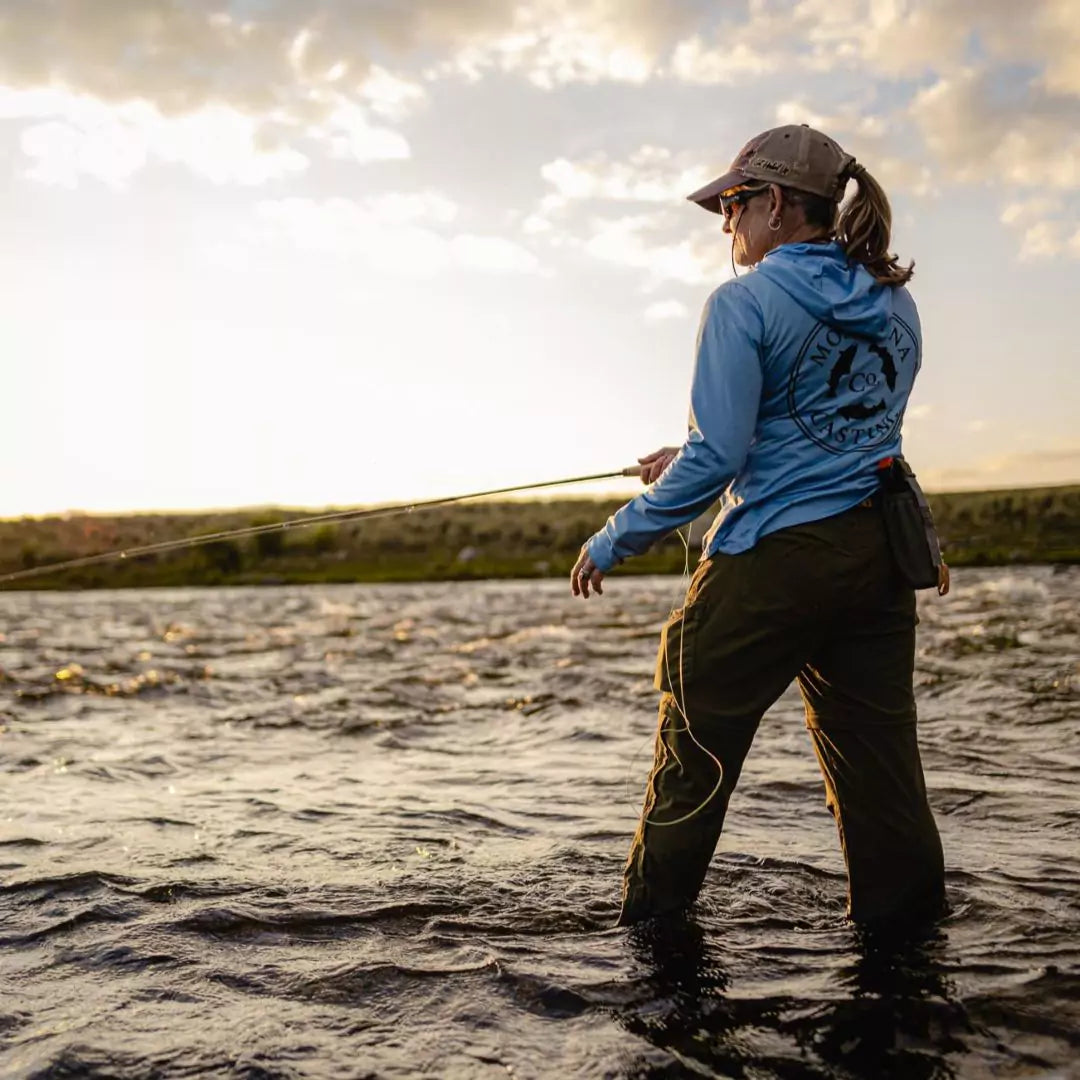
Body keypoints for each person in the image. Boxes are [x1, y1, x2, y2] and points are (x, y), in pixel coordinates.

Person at [569, 124, 946, 928]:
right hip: (879, 558)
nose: (726, 222)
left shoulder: (741, 303)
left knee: (693, 756)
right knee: (882, 775)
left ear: (775, 204)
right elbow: (838, 420)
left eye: (734, 203)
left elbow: (721, 460)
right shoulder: (895, 299)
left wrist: (614, 539)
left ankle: (652, 948)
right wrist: (702, 448)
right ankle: (909, 959)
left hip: (774, 562)